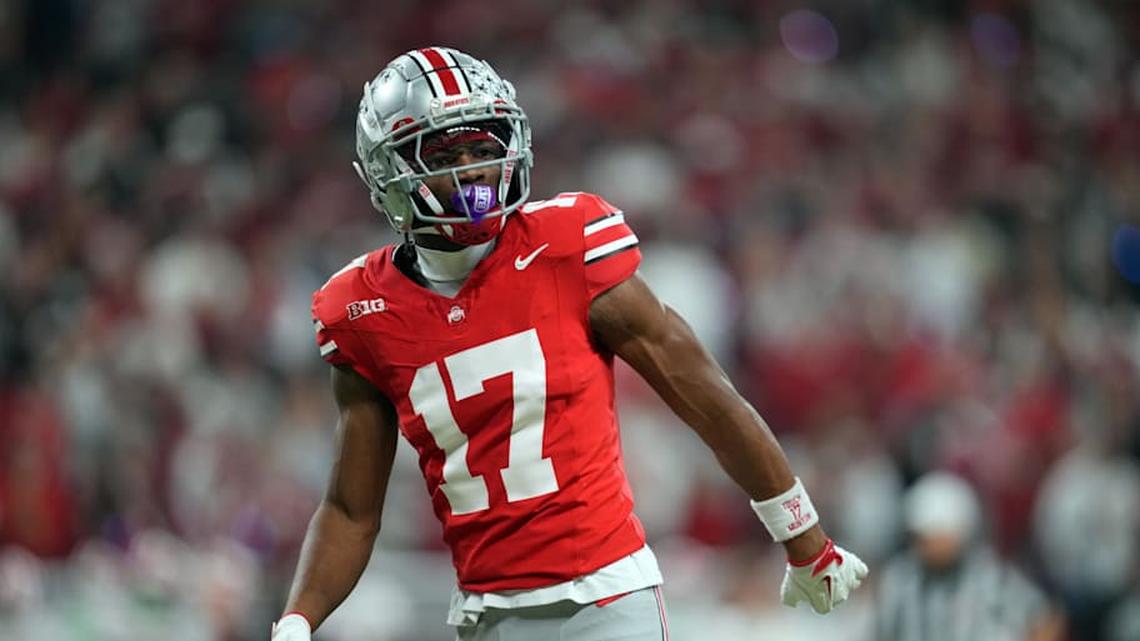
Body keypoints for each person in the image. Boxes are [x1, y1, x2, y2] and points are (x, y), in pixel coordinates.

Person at [271, 46, 868, 641]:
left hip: (607, 603)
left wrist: (802, 535)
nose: (476, 169)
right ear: (387, 168)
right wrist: (297, 622)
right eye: (449, 153)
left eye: (485, 147)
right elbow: (351, 508)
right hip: (486, 617)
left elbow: (707, 397)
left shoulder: (567, 247)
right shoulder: (359, 311)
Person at [875, 472, 1065, 641]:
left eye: (931, 536)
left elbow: (1046, 620)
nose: (924, 546)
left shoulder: (991, 577)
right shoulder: (900, 580)